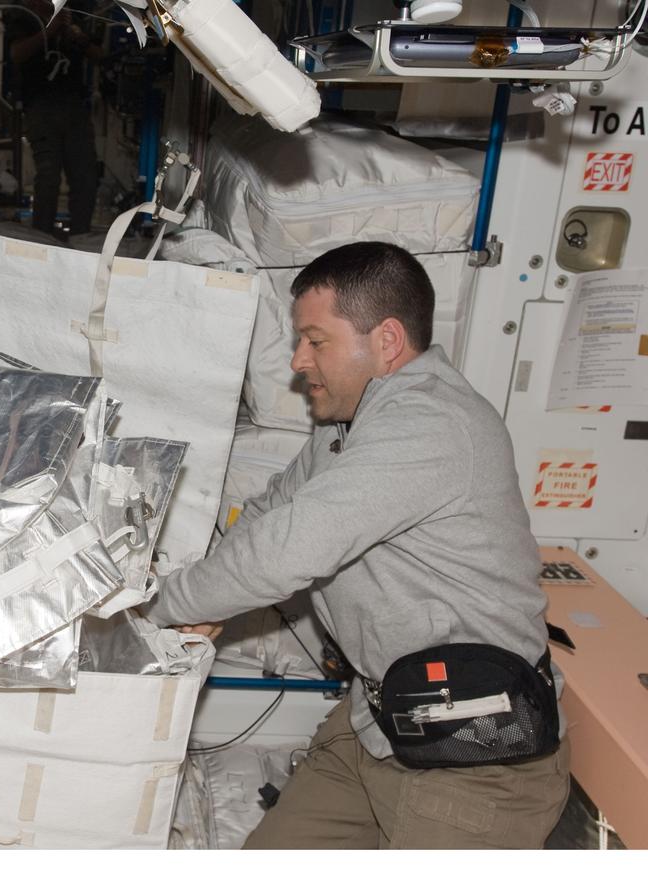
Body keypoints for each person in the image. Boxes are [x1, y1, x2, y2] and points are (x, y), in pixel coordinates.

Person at [143, 242, 569, 849]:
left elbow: (285, 551)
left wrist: (155, 609)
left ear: (387, 342)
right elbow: (271, 513)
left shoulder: (430, 425)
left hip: (475, 757)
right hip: (380, 720)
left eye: (316, 341)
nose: (298, 360)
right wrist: (209, 598)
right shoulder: (348, 427)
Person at [6, 0, 101, 239]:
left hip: (74, 105)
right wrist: (49, 31)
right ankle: (42, 238)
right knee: (48, 177)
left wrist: (78, 37)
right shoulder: (23, 18)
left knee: (85, 176)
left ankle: (81, 237)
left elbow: (100, 55)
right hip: (41, 106)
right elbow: (16, 54)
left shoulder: (74, 15)